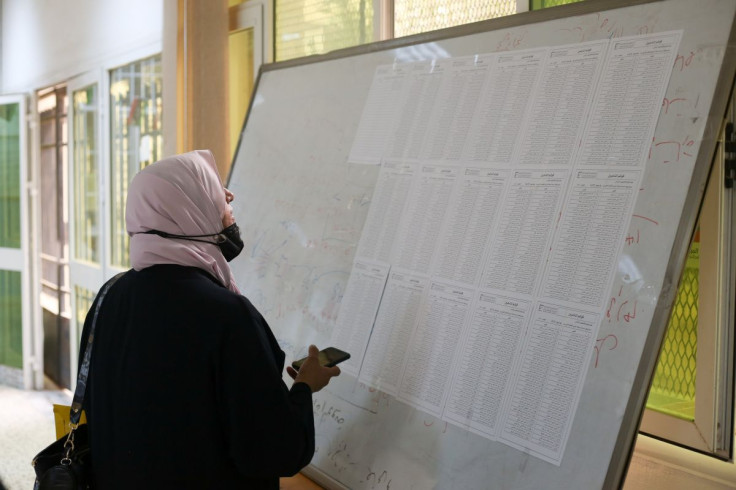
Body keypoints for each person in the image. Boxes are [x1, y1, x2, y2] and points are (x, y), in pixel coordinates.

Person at [78, 149, 340, 489]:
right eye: (220, 198)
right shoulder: (228, 316)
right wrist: (305, 387)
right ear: (191, 210)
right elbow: (276, 450)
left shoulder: (108, 298)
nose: (230, 209)